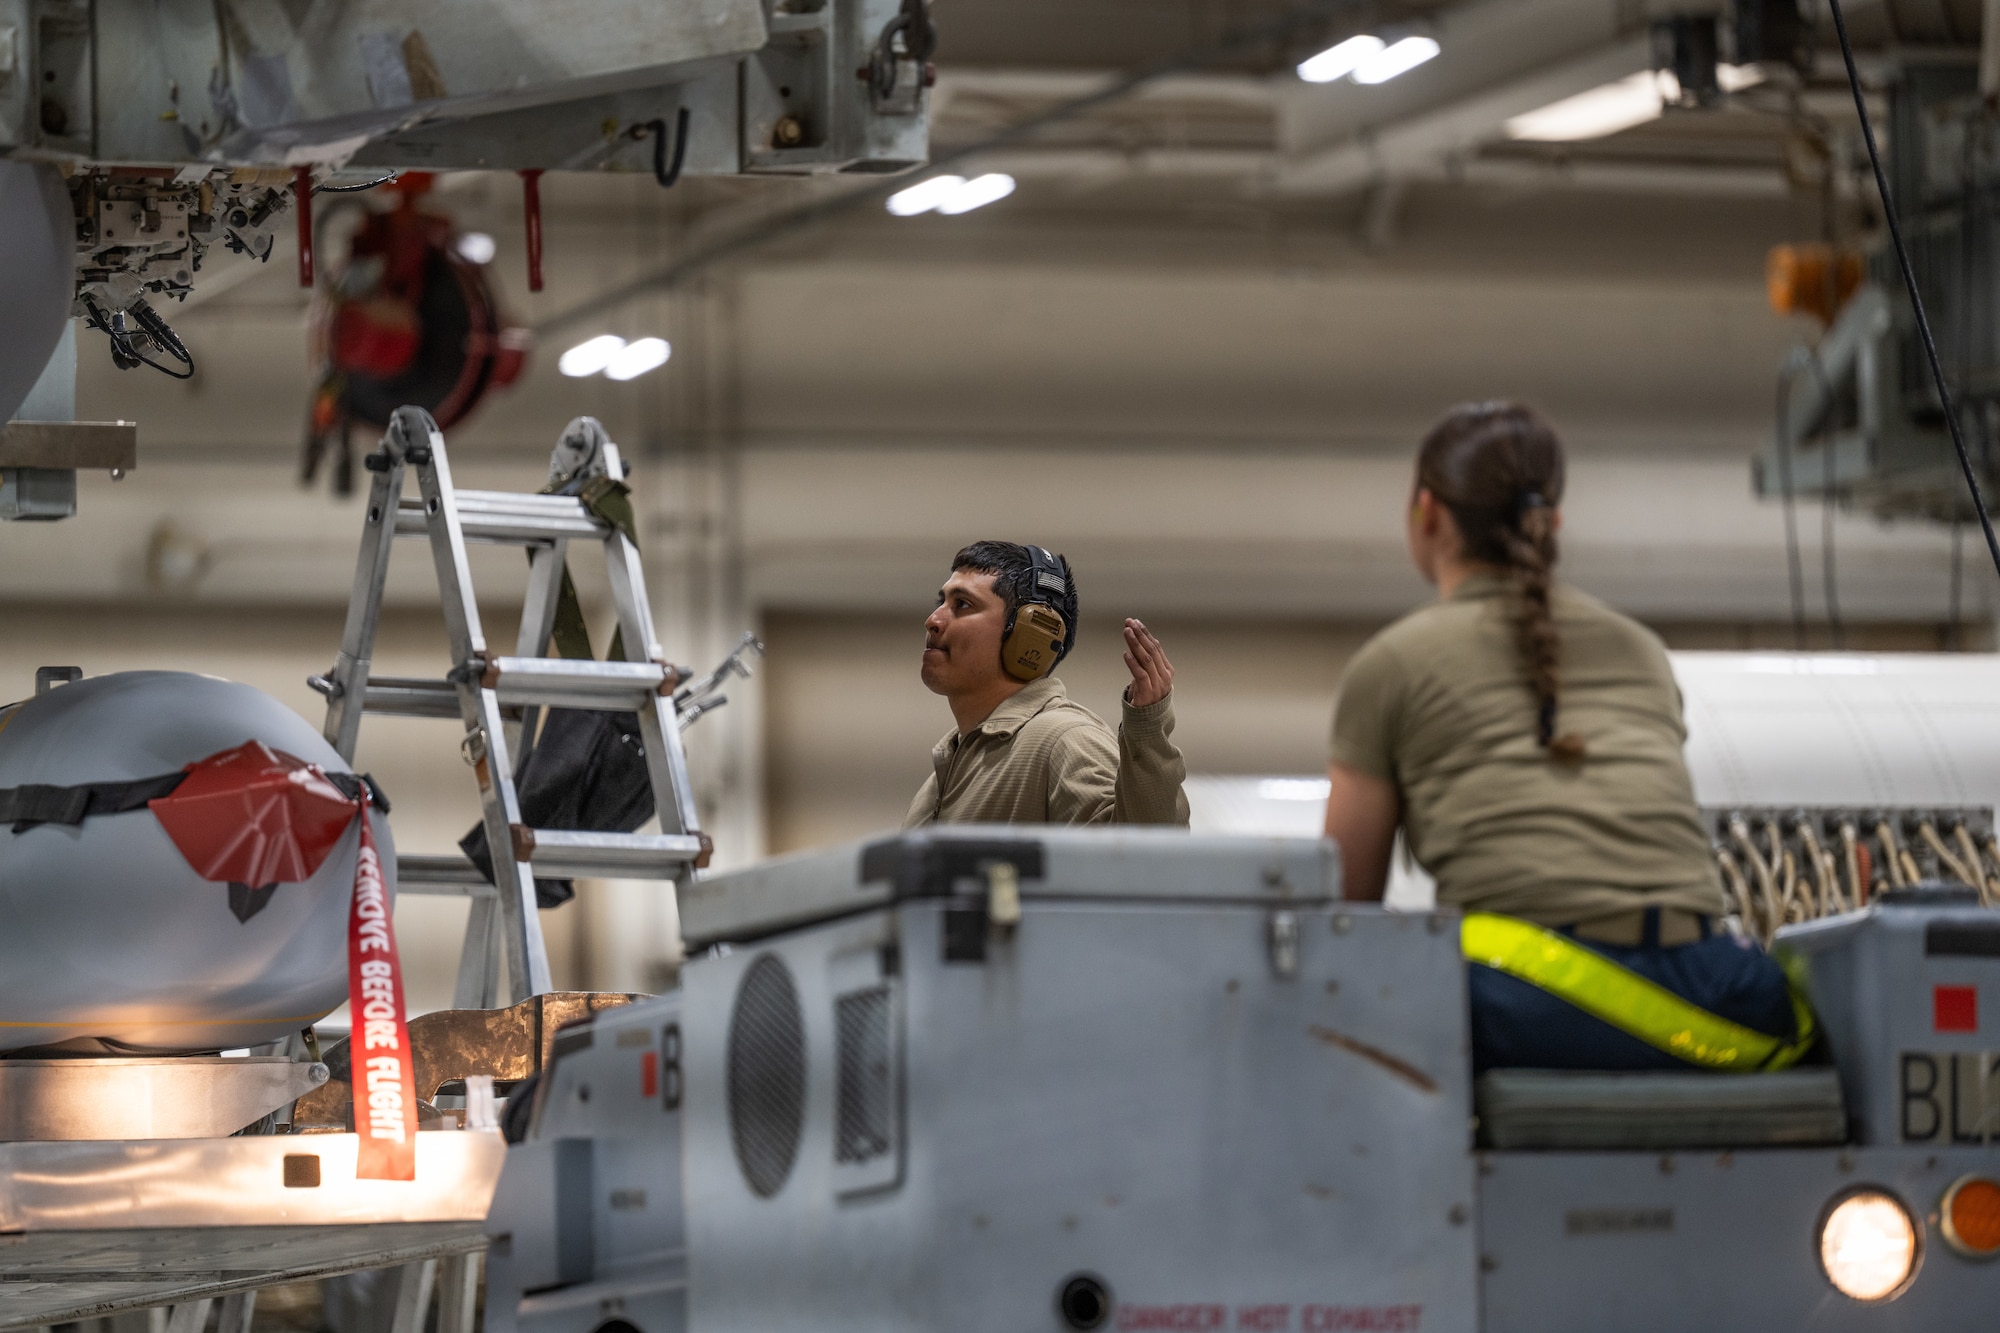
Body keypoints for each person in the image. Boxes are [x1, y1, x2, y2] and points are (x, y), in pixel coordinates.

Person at [1322, 402, 1812, 1073]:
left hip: (1517, 1006)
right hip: (1718, 999)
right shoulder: (1643, 650)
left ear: (1426, 514)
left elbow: (1345, 908)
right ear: (1551, 518)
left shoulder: (1391, 664)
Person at [905, 541, 1190, 827]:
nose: (933, 620)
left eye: (962, 604)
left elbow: (1141, 860)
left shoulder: (1064, 739)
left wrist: (1147, 732)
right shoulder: (939, 781)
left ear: (1033, 631)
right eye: (940, 602)